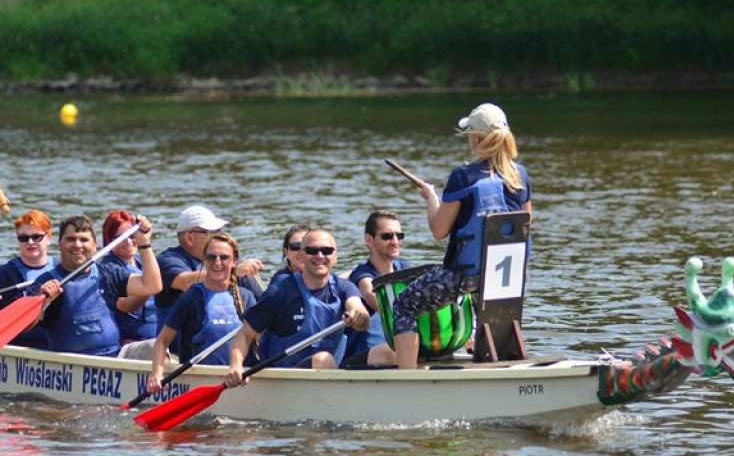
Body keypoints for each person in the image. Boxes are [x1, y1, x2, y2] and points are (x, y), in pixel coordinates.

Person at [392, 102, 532, 369]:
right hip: (510, 278)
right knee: (492, 310)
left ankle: (406, 380)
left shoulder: (462, 177)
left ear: (476, 138)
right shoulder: (520, 175)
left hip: (467, 274)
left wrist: (431, 198)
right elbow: (525, 224)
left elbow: (439, 230)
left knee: (404, 305)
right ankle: (503, 365)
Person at [225, 229, 370, 386]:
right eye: (312, 250)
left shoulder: (345, 288)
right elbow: (244, 335)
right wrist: (236, 366)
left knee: (386, 353)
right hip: (285, 381)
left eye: (326, 250)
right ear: (301, 255)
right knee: (323, 358)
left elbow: (359, 310)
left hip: (328, 375)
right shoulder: (280, 291)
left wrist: (359, 316)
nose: (320, 256)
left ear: (335, 256)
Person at [31, 214, 161, 357]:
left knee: (156, 346)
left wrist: (144, 242)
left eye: (84, 240)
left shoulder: (107, 274)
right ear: (60, 244)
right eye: (71, 239)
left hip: (115, 356)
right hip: (72, 363)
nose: (78, 245)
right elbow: (27, 325)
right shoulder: (46, 282)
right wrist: (42, 303)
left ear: (94, 245)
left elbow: (152, 286)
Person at [146, 234, 258, 391]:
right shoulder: (191, 298)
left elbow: (262, 339)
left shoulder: (246, 297)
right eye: (211, 257)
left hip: (241, 377)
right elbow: (162, 341)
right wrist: (157, 374)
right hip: (200, 378)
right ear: (204, 261)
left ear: (234, 262)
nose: (217, 262)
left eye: (224, 257)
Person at [154, 205, 264, 326]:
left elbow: (264, 302)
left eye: (217, 232)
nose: (216, 237)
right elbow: (185, 282)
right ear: (190, 237)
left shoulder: (229, 263)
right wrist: (234, 271)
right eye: (211, 232)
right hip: (181, 340)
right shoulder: (168, 260)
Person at [0, 210, 56, 349]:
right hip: (19, 346)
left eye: (37, 237)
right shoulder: (8, 272)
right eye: (23, 238)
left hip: (56, 346)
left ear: (48, 238)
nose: (30, 242)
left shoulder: (62, 269)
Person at [343, 210, 411, 366]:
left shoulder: (406, 270)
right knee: (392, 351)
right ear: (369, 240)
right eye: (387, 236)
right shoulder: (363, 275)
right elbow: (374, 297)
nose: (395, 242)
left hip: (398, 352)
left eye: (399, 236)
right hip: (362, 360)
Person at [98, 209, 160, 345]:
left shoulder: (144, 261)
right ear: (109, 241)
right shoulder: (108, 270)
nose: (128, 242)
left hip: (156, 340)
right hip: (128, 343)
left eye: (132, 236)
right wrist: (150, 287)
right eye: (120, 238)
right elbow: (125, 305)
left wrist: (145, 240)